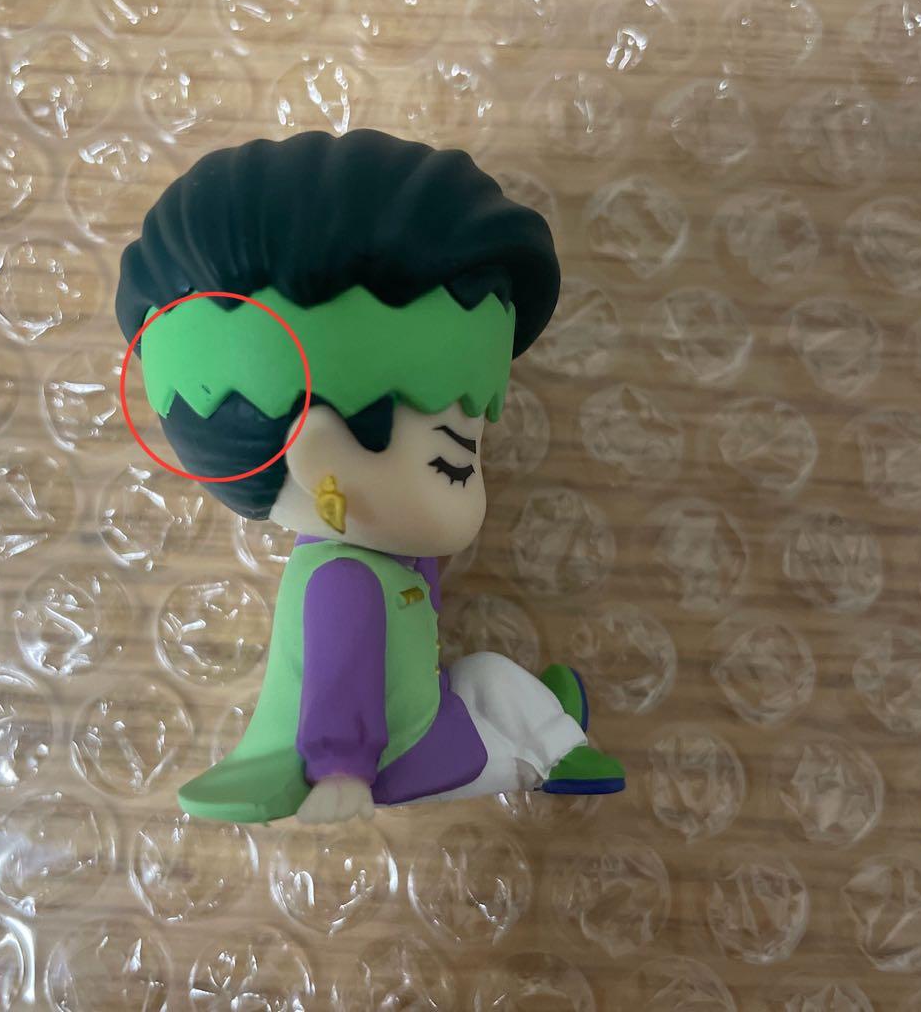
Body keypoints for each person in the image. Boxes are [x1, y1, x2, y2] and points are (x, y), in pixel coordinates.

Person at [116, 129, 625, 824]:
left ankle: (548, 721)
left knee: (486, 681)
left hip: (425, 715)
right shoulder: (343, 580)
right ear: (325, 466)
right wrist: (342, 771)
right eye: (454, 460)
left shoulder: (365, 557)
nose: (473, 488)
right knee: (497, 695)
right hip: (412, 755)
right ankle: (559, 753)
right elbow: (339, 677)